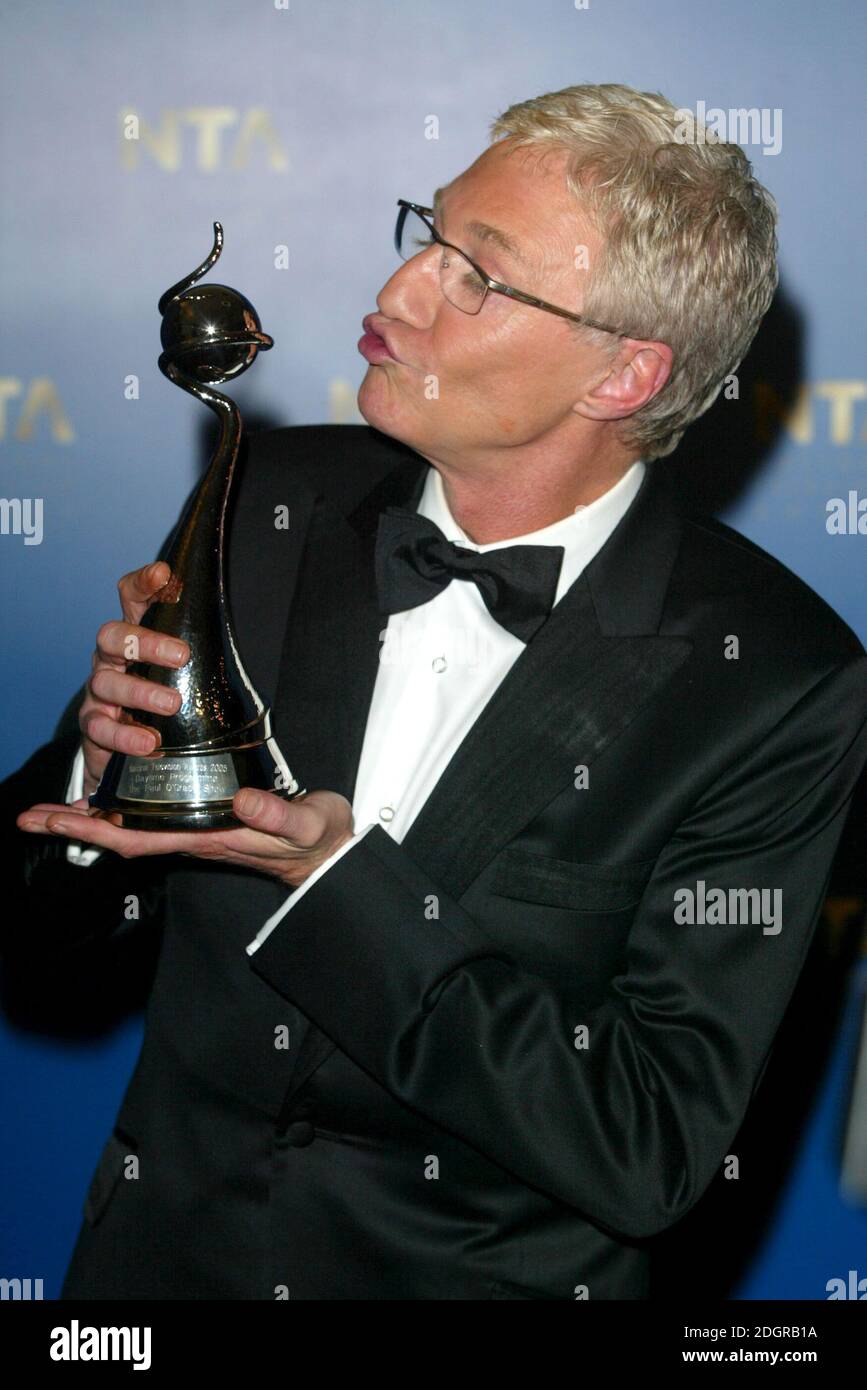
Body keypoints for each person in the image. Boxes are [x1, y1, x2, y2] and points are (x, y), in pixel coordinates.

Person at [5, 82, 867, 1301]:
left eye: (480, 277)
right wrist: (100, 774)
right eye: (430, 234)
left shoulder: (777, 682)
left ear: (623, 375)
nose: (399, 292)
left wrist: (339, 889)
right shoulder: (265, 502)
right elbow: (37, 930)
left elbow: (649, 1145)